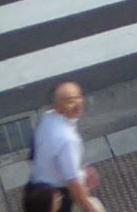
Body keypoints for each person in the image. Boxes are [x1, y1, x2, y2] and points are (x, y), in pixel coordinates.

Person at [26, 83, 104, 212]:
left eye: (78, 97)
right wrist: (90, 209)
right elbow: (73, 183)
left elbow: (41, 153)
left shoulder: (47, 118)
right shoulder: (67, 139)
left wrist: (81, 171)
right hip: (54, 201)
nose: (78, 103)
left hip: (35, 191)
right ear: (58, 107)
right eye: (70, 101)